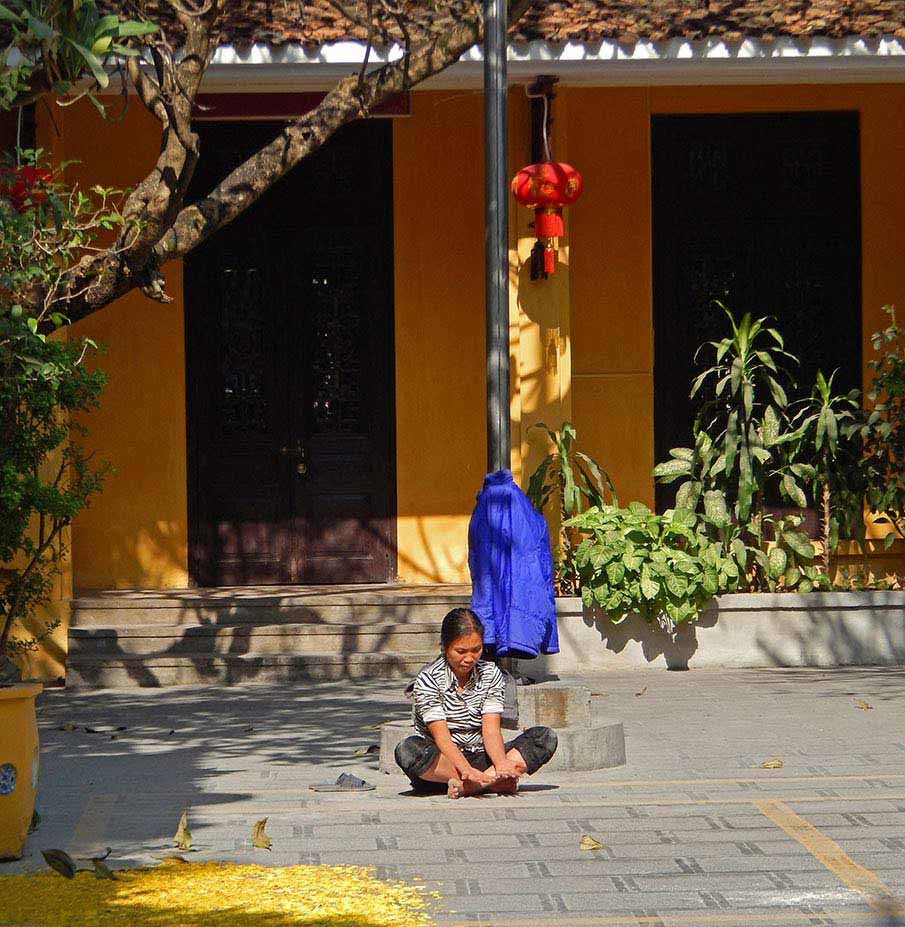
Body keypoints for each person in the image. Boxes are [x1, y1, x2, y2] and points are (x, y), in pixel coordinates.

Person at [394, 608, 558, 799]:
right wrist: (466, 770)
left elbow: (490, 730)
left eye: (476, 650)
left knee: (544, 738)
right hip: (444, 764)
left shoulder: (491, 673)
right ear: (445, 647)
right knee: (407, 750)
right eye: (461, 651)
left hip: (482, 757)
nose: (469, 658)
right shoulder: (428, 679)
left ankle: (472, 785)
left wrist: (501, 763)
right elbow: (443, 738)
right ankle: (485, 782)